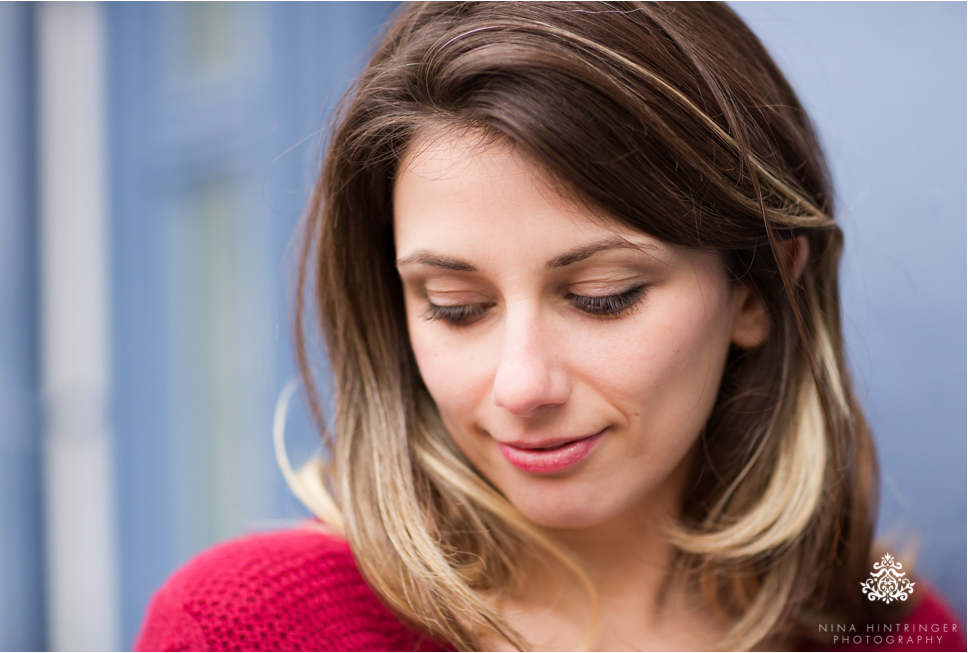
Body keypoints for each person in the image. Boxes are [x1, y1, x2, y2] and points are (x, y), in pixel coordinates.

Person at [136, 3, 965, 651]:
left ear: (761, 290)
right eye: (454, 307)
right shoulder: (243, 626)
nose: (522, 385)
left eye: (602, 295)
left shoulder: (884, 616)